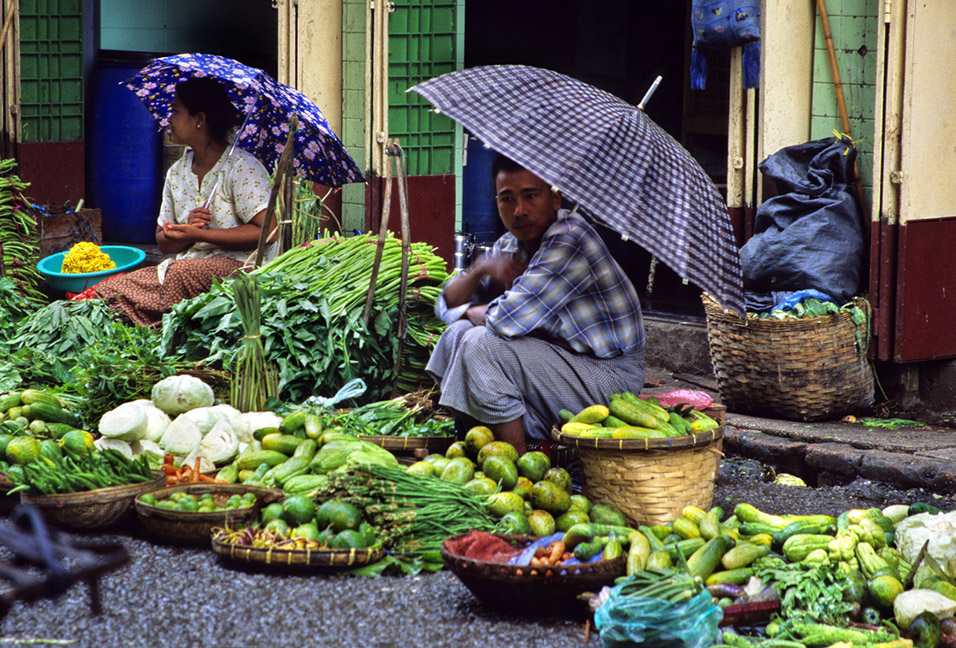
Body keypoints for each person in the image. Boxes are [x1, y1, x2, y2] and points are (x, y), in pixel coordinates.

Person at [426, 155, 646, 454]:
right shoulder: (511, 245)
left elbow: (503, 321)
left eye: (530, 196)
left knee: (480, 344)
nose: (519, 211)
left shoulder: (569, 240)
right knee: (456, 336)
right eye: (507, 199)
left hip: (610, 376)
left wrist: (468, 311)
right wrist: (479, 270)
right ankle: (478, 449)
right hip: (562, 363)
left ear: (555, 199)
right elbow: (444, 307)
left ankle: (520, 467)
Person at [92, 77, 275, 326]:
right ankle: (159, 321)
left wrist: (202, 236)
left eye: (176, 110)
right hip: (186, 267)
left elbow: (269, 230)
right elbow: (163, 243)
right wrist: (186, 234)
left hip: (240, 269)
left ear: (199, 119)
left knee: (179, 275)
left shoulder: (241, 167)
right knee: (110, 290)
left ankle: (163, 324)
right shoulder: (177, 172)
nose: (169, 119)